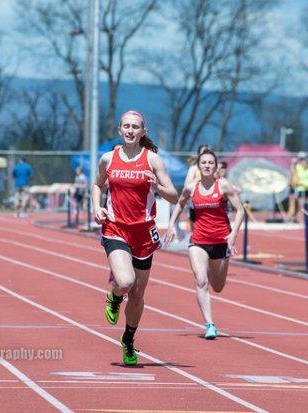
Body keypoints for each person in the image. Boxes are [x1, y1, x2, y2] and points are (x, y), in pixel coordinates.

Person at [92, 110, 178, 366]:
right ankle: (115, 296)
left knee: (139, 295)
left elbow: (174, 195)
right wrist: (97, 207)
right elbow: (98, 185)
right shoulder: (108, 158)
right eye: (126, 126)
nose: (130, 131)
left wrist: (158, 186)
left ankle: (128, 340)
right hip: (116, 228)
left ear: (143, 131)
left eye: (135, 127)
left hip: (143, 232)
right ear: (120, 130)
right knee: (125, 281)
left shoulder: (153, 160)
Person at [164, 149, 244, 339]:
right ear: (198, 166)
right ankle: (209, 324)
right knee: (201, 281)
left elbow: (240, 210)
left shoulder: (223, 186)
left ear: (215, 166)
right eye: (204, 163)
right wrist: (170, 225)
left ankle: (213, 267)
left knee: (217, 286)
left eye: (210, 163)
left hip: (221, 241)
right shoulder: (191, 187)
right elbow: (180, 203)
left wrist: (233, 234)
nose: (207, 166)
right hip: (198, 240)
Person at [293, 152, 308, 217]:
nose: (302, 161)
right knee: (301, 207)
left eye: (303, 159)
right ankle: (301, 223)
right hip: (301, 190)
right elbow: (295, 180)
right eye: (301, 159)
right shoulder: (297, 167)